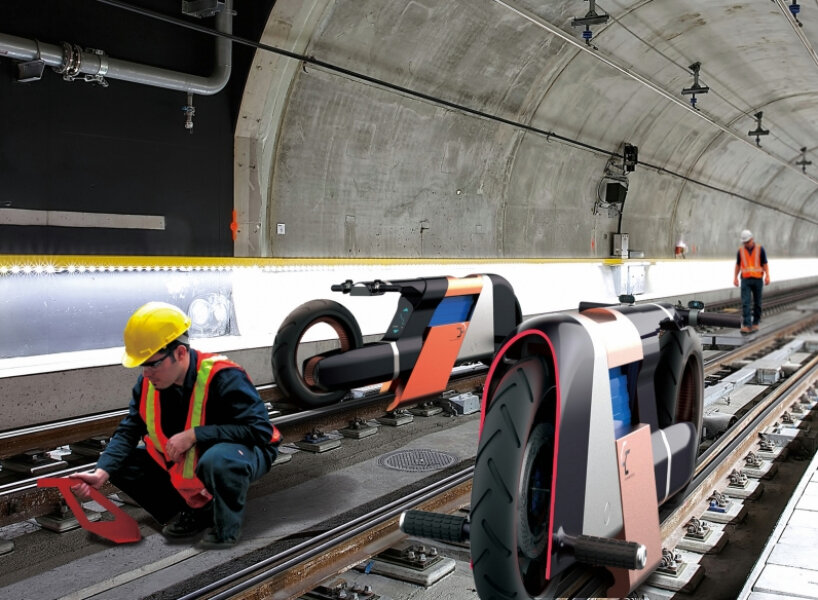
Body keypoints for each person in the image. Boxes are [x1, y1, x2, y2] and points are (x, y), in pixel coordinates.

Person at [71, 301, 281, 549]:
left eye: (153, 363)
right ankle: (191, 512)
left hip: (246, 449)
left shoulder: (223, 376)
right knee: (124, 462)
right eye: (142, 364)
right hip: (194, 454)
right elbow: (128, 431)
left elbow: (259, 431)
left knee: (219, 460)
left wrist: (195, 435)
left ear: (180, 353)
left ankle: (226, 530)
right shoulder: (148, 385)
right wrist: (101, 472)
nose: (146, 373)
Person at [733, 229, 770, 334]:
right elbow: (738, 265)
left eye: (748, 242)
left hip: (758, 280)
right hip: (745, 280)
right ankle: (747, 325)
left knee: (757, 303)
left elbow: (765, 264)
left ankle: (755, 323)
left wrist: (767, 276)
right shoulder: (740, 251)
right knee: (745, 303)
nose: (746, 244)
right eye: (745, 242)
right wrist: (735, 277)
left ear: (752, 239)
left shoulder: (760, 249)